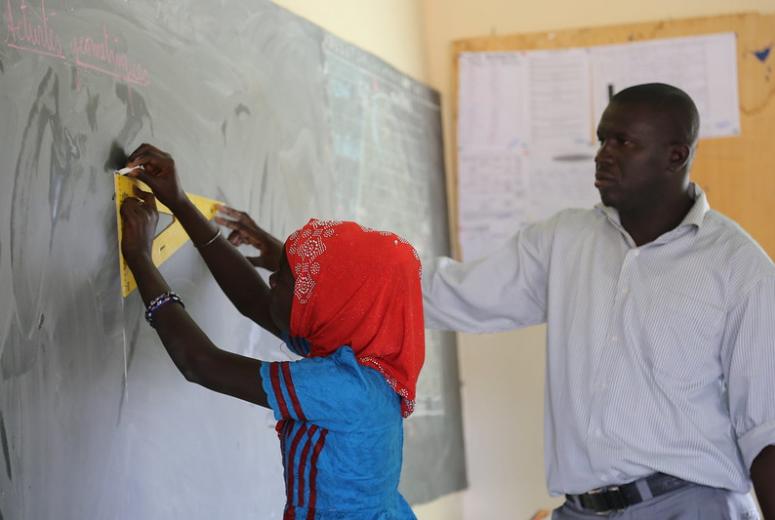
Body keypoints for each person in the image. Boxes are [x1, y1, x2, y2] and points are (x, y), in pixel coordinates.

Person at [230, 84, 775, 519]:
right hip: (582, 509)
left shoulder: (739, 268)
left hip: (693, 505)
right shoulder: (565, 239)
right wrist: (303, 272)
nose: (602, 155)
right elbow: (447, 295)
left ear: (675, 156)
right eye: (602, 138)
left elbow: (765, 429)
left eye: (623, 142)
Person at [119, 144, 423, 519]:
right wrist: (180, 203)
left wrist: (140, 259)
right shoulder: (361, 360)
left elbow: (200, 363)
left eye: (285, 278)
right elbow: (257, 303)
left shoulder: (346, 389)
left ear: (326, 308)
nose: (272, 277)